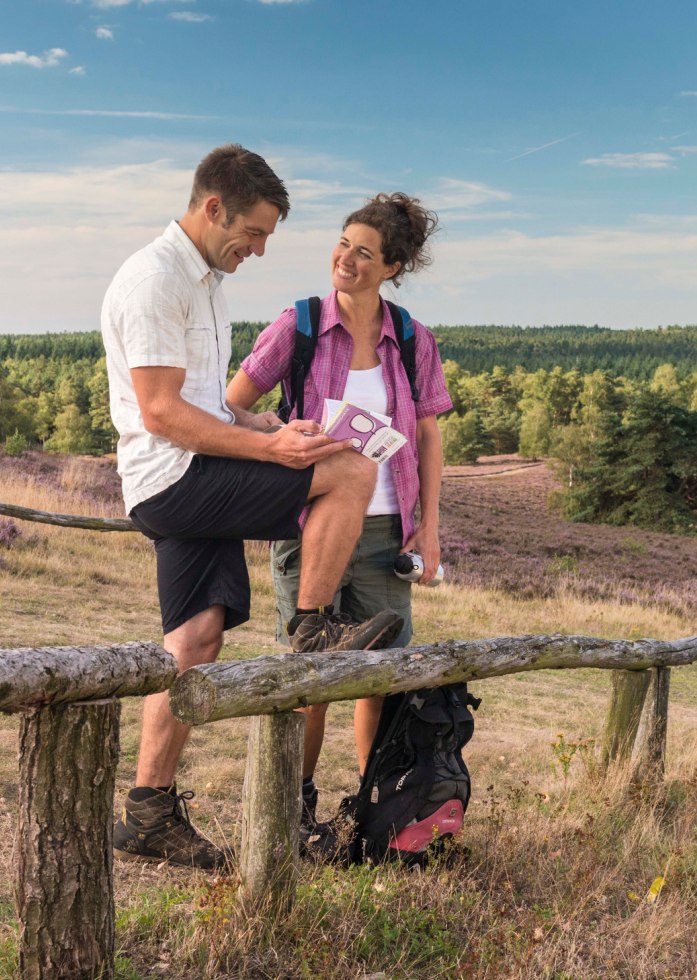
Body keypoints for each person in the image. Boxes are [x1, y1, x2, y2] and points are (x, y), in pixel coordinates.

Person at [101, 145, 407, 870]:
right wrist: (271, 455)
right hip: (175, 478)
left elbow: (207, 406)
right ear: (215, 208)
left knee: (195, 638)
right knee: (351, 470)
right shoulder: (155, 281)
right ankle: (313, 627)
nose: (261, 249)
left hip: (189, 470)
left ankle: (147, 810)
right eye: (256, 231)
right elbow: (162, 413)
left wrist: (264, 427)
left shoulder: (203, 281)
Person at [227, 193, 451, 838]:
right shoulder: (296, 326)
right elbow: (233, 405)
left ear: (393, 267)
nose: (346, 259)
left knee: (378, 674)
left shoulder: (411, 338)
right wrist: (275, 429)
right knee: (307, 672)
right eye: (343, 243)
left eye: (364, 253)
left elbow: (429, 436)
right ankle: (293, 809)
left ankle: (375, 806)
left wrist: (428, 525)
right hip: (312, 527)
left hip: (386, 531)